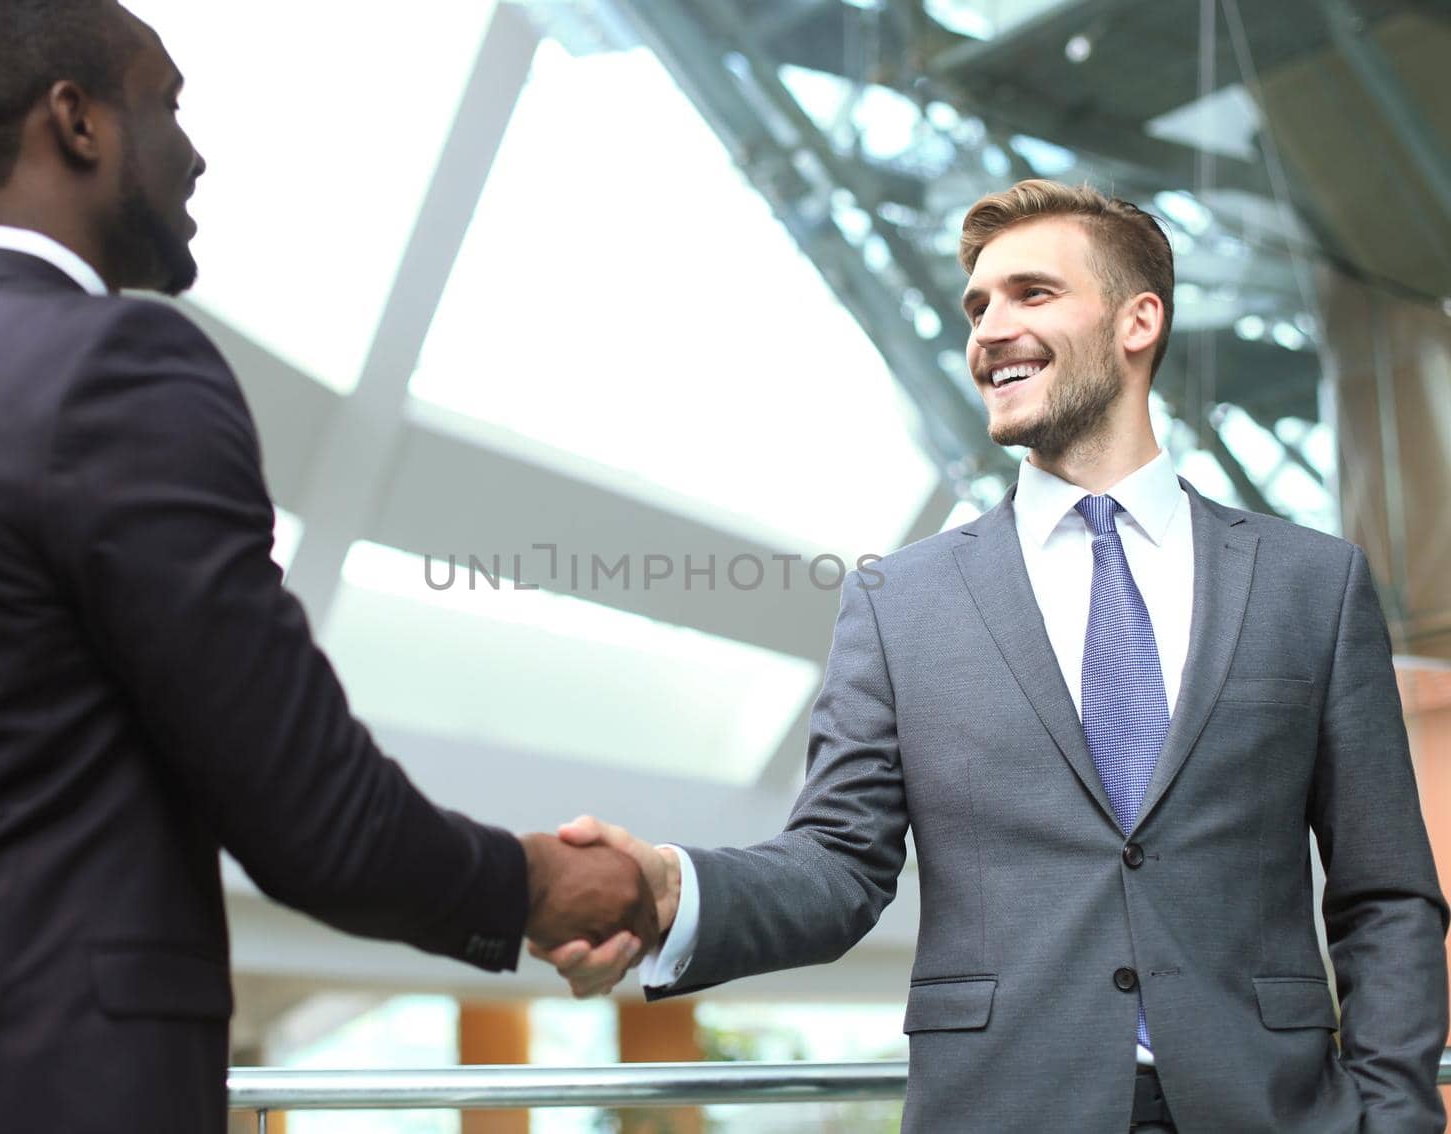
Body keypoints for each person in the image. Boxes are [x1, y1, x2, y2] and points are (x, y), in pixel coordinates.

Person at [0, 2, 656, 1130]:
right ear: (76, 122)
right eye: (165, 103)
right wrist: (534, 886)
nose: (194, 149)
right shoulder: (114, 368)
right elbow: (310, 811)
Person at [535, 180, 1450, 1131]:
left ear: (1139, 321)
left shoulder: (1311, 582)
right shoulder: (901, 601)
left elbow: (1385, 892)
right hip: (1005, 1107)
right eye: (978, 305)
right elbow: (839, 864)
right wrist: (672, 888)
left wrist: (1394, 1114)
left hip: (1274, 1113)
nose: (988, 328)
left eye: (1031, 293)